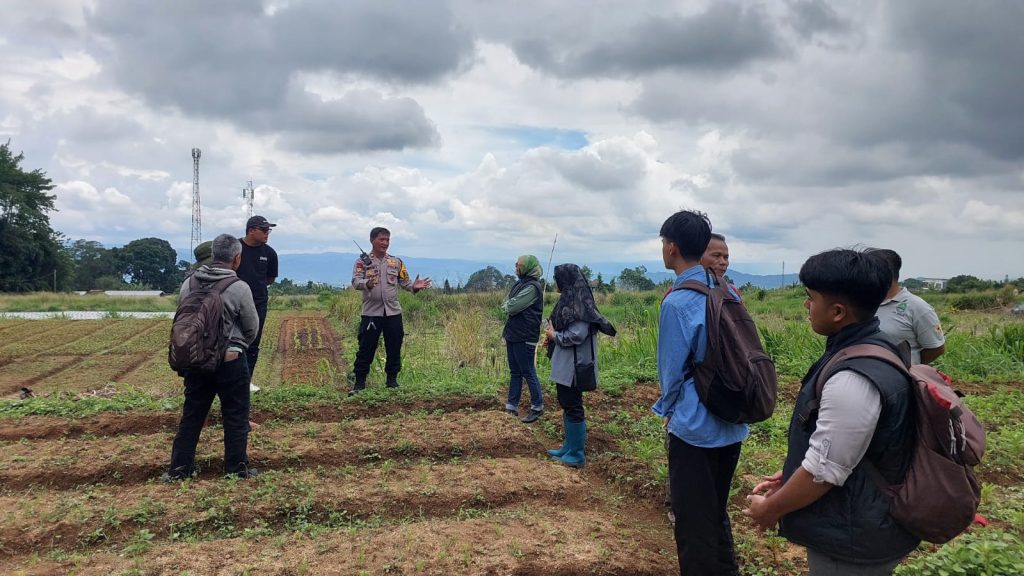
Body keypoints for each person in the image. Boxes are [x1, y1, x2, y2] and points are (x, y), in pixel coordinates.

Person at [743, 249, 918, 575]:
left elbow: (824, 471)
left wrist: (770, 510)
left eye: (811, 298)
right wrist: (793, 471)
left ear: (838, 311)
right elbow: (847, 447)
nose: (806, 306)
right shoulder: (875, 347)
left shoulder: (853, 376)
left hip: (851, 539)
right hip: (859, 522)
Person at [654, 210, 748, 575]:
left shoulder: (677, 302)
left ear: (672, 247)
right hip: (732, 421)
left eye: (663, 243)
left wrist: (669, 414)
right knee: (715, 514)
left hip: (695, 430)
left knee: (693, 526)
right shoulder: (728, 290)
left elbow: (671, 375)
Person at [163, 233, 260, 481]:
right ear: (236, 259)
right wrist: (236, 346)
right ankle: (236, 470)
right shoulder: (238, 287)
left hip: (197, 361)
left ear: (213, 256)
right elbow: (251, 327)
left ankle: (179, 470)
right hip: (230, 361)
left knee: (193, 414)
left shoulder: (189, 284)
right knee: (236, 415)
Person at [542, 263, 616, 468]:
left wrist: (554, 335)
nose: (555, 282)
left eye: (557, 279)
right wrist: (552, 334)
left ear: (565, 281)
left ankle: (576, 453)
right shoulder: (570, 300)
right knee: (567, 403)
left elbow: (577, 334)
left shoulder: (581, 305)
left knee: (573, 406)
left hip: (574, 366)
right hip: (565, 364)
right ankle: (568, 446)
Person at [349, 227, 431, 394]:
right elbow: (356, 282)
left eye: (387, 240)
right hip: (371, 313)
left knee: (394, 346)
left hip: (393, 312)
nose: (385, 243)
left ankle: (392, 381)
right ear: (372, 240)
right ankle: (359, 383)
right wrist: (367, 283)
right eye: (381, 240)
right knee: (366, 347)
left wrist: (414, 287)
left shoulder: (396, 262)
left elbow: (405, 282)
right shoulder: (362, 263)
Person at [870, 248, 945, 365]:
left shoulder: (918, 307)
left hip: (900, 380)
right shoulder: (863, 303)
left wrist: (906, 366)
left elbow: (936, 349)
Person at [236, 215, 278, 393]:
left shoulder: (269, 253)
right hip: (234, 303)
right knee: (231, 341)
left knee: (253, 342)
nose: (267, 233)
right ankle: (228, 381)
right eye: (264, 230)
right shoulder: (235, 248)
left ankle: (246, 381)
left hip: (258, 303)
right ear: (251, 230)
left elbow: (270, 278)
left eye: (269, 230)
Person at [501, 255, 545, 423]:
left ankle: (537, 406)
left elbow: (511, 306)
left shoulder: (533, 287)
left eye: (518, 265)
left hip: (525, 336)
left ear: (527, 268)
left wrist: (509, 305)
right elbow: (508, 303)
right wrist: (509, 305)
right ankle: (511, 406)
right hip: (514, 334)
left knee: (527, 371)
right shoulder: (521, 284)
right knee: (515, 371)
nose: (516, 268)